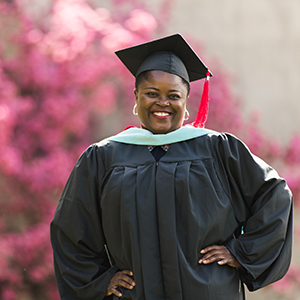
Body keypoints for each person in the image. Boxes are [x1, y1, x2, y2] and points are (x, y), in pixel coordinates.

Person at [50, 34, 293, 300]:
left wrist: (241, 252)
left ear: (186, 102)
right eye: (151, 94)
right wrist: (99, 280)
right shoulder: (103, 158)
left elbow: (275, 194)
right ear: (136, 98)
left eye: (173, 95)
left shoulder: (218, 150)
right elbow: (71, 229)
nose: (162, 103)